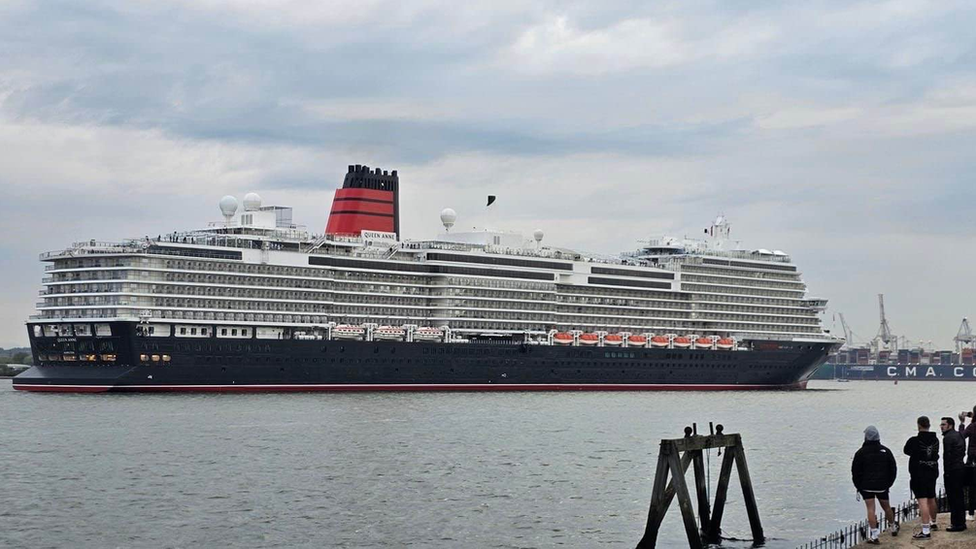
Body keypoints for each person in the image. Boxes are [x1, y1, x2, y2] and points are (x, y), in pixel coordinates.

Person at [853, 425, 898, 543]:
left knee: (870, 509)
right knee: (887, 507)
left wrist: (858, 486)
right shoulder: (886, 451)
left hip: (866, 486)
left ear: (866, 437)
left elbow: (855, 471)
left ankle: (874, 535)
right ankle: (893, 527)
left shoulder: (860, 453)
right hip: (882, 486)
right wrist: (889, 483)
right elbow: (893, 468)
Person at [905, 416, 940, 538]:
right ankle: (933, 521)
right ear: (929, 425)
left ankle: (925, 530)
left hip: (919, 473)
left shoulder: (914, 440)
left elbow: (906, 451)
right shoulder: (935, 440)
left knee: (922, 501)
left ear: (919, 425)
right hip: (932, 471)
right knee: (931, 497)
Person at [941, 416, 967, 531]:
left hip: (952, 470)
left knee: (953, 497)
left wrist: (946, 472)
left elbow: (947, 456)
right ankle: (961, 522)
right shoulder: (959, 434)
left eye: (943, 425)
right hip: (961, 467)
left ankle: (956, 524)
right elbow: (963, 451)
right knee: (959, 496)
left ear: (950, 425)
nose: (941, 427)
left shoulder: (947, 438)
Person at [962, 407, 976, 519]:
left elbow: (961, 436)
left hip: (973, 460)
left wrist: (962, 423)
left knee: (972, 486)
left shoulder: (972, 426)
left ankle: (971, 513)